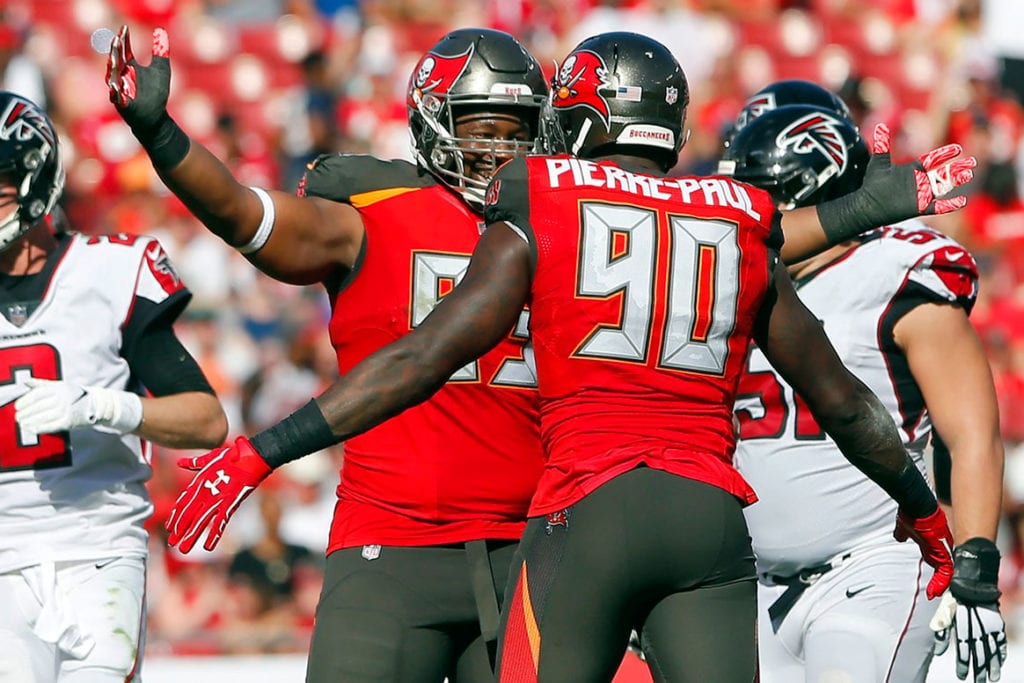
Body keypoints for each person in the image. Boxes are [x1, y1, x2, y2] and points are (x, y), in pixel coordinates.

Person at [161, 32, 977, 681]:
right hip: (706, 519)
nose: (508, 150)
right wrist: (929, 515)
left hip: (578, 514)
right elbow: (842, 398)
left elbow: (423, 356)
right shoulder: (737, 216)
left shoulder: (547, 196)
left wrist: (263, 451)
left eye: (528, 128)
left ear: (574, 122)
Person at [107, 24, 550, 682]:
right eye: (484, 129)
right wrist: (160, 135)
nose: (500, 149)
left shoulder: (560, 222)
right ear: (435, 122)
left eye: (517, 132)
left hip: (529, 549)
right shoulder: (377, 210)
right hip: (392, 547)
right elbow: (240, 211)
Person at [723, 102, 1007, 683]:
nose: (746, 213)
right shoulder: (731, 277)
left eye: (761, 195)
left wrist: (976, 569)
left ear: (813, 188)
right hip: (754, 583)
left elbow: (971, 434)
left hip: (877, 565)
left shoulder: (895, 270)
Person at [0, 91, 227, 683]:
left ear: (35, 178)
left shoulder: (106, 271)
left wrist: (101, 405)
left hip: (95, 547)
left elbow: (207, 420)